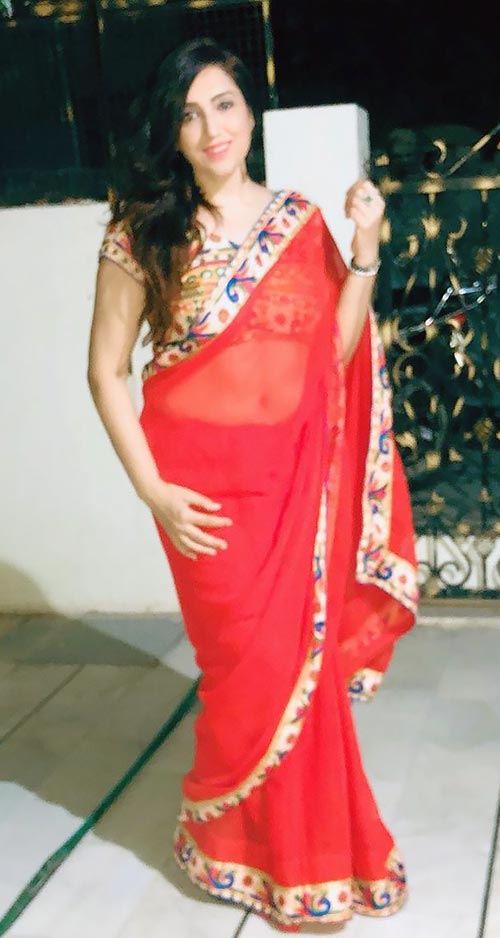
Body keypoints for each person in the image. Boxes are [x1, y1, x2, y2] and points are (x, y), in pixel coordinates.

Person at [87, 36, 419, 934]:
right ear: (171, 131)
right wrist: (153, 492)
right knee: (244, 674)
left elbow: (335, 350)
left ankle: (308, 859)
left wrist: (364, 248)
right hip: (200, 500)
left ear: (249, 110)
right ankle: (233, 842)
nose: (211, 129)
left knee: (296, 668)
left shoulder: (299, 223)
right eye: (189, 114)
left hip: (294, 484)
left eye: (224, 104)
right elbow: (106, 372)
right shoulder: (141, 234)